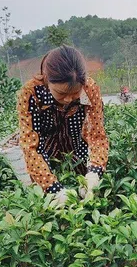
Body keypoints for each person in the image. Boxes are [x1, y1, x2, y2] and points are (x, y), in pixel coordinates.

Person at [17, 46, 109, 205]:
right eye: (61, 93)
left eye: (75, 94)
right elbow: (31, 146)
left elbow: (97, 135)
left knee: (85, 194)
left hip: (77, 146)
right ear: (47, 78)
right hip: (44, 154)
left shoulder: (89, 88)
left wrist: (94, 171)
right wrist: (53, 188)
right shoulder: (31, 92)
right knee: (49, 202)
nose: (68, 99)